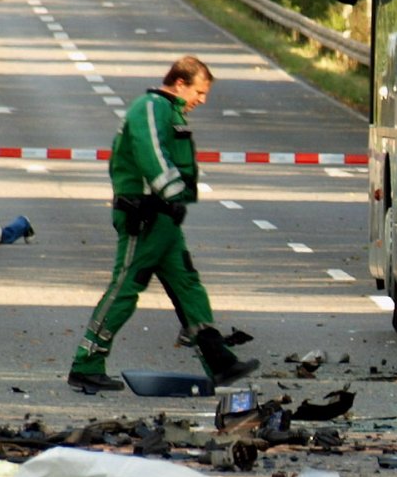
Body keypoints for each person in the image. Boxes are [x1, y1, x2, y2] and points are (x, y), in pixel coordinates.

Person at [67, 56, 260, 393]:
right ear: (180, 83)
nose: (202, 100)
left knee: (187, 283)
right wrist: (171, 195)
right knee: (126, 286)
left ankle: (219, 360)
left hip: (163, 217)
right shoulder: (151, 107)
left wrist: (175, 203)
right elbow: (151, 152)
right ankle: (86, 362)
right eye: (199, 92)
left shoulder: (168, 110)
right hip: (145, 215)